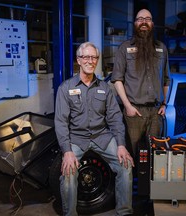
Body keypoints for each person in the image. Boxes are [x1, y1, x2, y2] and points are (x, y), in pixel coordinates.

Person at [54, 42, 134, 216]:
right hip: (76, 139)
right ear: (79, 60)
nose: (90, 61)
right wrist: (67, 151)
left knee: (125, 165)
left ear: (97, 60)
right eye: (86, 57)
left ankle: (125, 211)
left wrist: (121, 144)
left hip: (102, 137)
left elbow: (115, 118)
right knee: (68, 172)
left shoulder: (105, 89)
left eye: (93, 57)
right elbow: (61, 122)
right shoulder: (66, 88)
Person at [111, 9, 171, 157]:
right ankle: (134, 180)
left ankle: (150, 181)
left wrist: (164, 104)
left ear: (152, 23)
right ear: (135, 23)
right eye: (140, 19)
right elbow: (117, 79)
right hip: (134, 113)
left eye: (148, 19)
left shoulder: (161, 48)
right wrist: (128, 106)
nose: (144, 22)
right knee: (133, 154)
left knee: (155, 154)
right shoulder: (125, 48)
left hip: (156, 113)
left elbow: (166, 79)